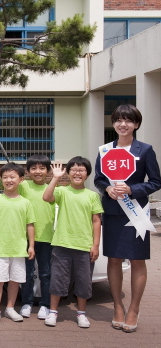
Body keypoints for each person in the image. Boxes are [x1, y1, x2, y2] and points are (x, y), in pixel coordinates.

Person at [94, 104, 161, 333]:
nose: (123, 124)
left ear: (136, 124)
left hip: (136, 215)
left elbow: (155, 181)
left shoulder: (145, 150)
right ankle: (118, 307)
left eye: (128, 120)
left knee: (137, 261)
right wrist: (107, 189)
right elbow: (99, 179)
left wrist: (132, 190)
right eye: (118, 120)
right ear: (113, 123)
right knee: (113, 259)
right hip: (113, 212)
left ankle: (134, 308)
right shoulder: (104, 150)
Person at [43, 157, 103, 328]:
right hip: (62, 244)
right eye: (74, 169)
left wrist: (95, 245)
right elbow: (47, 197)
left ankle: (81, 313)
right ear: (68, 173)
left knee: (84, 281)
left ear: (87, 174)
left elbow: (96, 221)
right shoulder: (62, 191)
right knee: (57, 280)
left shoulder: (92, 195)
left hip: (84, 246)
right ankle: (53, 312)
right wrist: (55, 177)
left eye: (82, 169)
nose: (77, 172)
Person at [0, 162, 35, 326]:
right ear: (0, 180)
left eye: (12, 177)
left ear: (21, 179)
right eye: (5, 177)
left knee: (15, 280)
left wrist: (31, 246)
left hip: (18, 249)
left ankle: (10, 308)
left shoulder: (25, 202)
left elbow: (30, 224)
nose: (8, 180)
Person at [18, 155, 55, 320]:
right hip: (25, 238)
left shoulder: (52, 189)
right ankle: (26, 303)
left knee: (46, 273)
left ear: (48, 171)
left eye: (42, 168)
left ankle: (45, 305)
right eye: (33, 168)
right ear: (28, 171)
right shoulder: (24, 186)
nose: (38, 171)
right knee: (27, 272)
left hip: (47, 238)